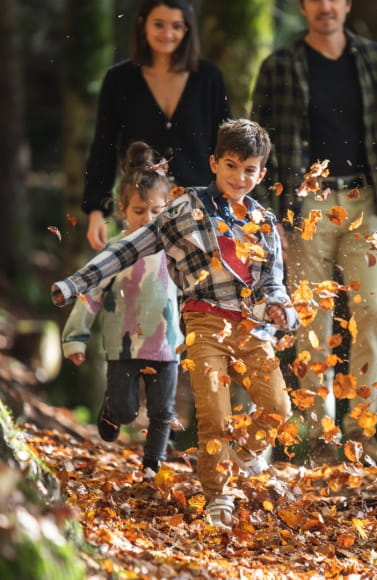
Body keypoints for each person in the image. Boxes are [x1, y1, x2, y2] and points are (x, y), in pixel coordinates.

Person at [52, 119, 298, 529]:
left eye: (250, 169)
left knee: (278, 407)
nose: (240, 177)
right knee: (214, 412)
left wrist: (279, 306)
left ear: (262, 174)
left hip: (253, 327)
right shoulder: (185, 209)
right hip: (204, 323)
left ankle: (237, 457)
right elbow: (129, 248)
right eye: (232, 165)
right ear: (214, 162)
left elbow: (273, 281)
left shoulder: (265, 222)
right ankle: (217, 494)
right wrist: (76, 283)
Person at [251, 0, 377, 465]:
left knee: (374, 310)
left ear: (347, 4)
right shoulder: (281, 66)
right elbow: (260, 149)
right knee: (311, 318)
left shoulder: (371, 59)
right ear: (304, 6)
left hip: (366, 201)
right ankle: (320, 437)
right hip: (305, 205)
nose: (325, 6)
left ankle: (361, 435)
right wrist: (269, 220)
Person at [62, 142, 181, 474]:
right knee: (127, 412)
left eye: (157, 212)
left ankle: (151, 468)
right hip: (123, 346)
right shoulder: (113, 254)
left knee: (162, 412)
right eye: (139, 212)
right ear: (123, 210)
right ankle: (112, 410)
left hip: (167, 345)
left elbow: (197, 289)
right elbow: (89, 294)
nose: (148, 220)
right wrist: (75, 338)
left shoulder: (176, 251)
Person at [83, 0, 230, 251]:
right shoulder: (119, 80)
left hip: (200, 210)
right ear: (142, 24)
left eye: (176, 26)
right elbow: (103, 146)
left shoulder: (209, 78)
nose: (168, 34)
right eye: (159, 25)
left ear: (187, 30)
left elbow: (226, 147)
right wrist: (96, 209)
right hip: (141, 211)